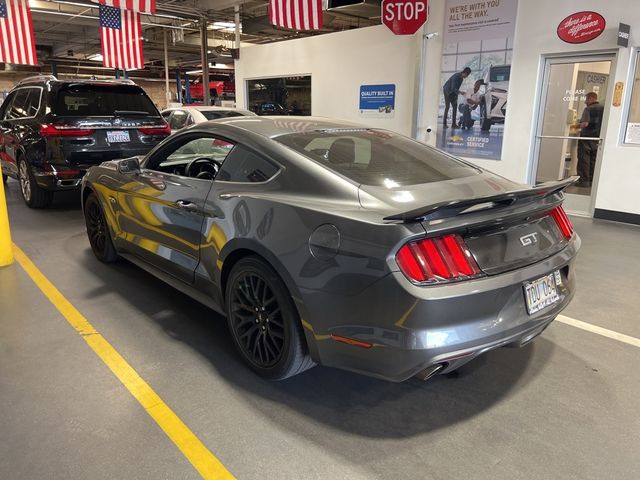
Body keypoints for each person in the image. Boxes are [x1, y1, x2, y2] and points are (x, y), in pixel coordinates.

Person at [577, 92, 604, 187]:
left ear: (591, 99)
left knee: (584, 159)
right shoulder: (603, 108)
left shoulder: (588, 109)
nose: (585, 102)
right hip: (597, 138)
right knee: (594, 159)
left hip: (587, 137)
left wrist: (577, 126)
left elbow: (585, 124)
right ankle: (592, 180)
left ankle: (584, 181)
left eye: (586, 99)